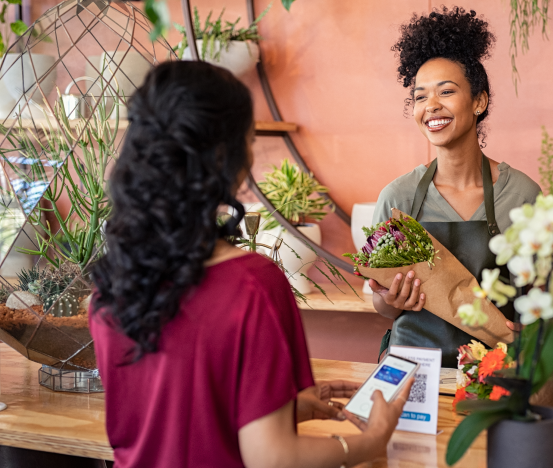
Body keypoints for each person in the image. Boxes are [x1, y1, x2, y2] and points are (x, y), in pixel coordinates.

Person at [89, 61, 412, 468]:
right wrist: (373, 440)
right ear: (226, 156)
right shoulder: (251, 285)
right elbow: (272, 459)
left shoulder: (112, 283)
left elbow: (174, 413)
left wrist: (280, 408)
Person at [372, 6, 541, 367]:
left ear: (478, 101)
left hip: (494, 377)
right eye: (419, 97)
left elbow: (541, 302)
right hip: (414, 374)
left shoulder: (522, 196)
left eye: (446, 92)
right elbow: (381, 307)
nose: (431, 106)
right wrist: (392, 299)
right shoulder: (398, 198)